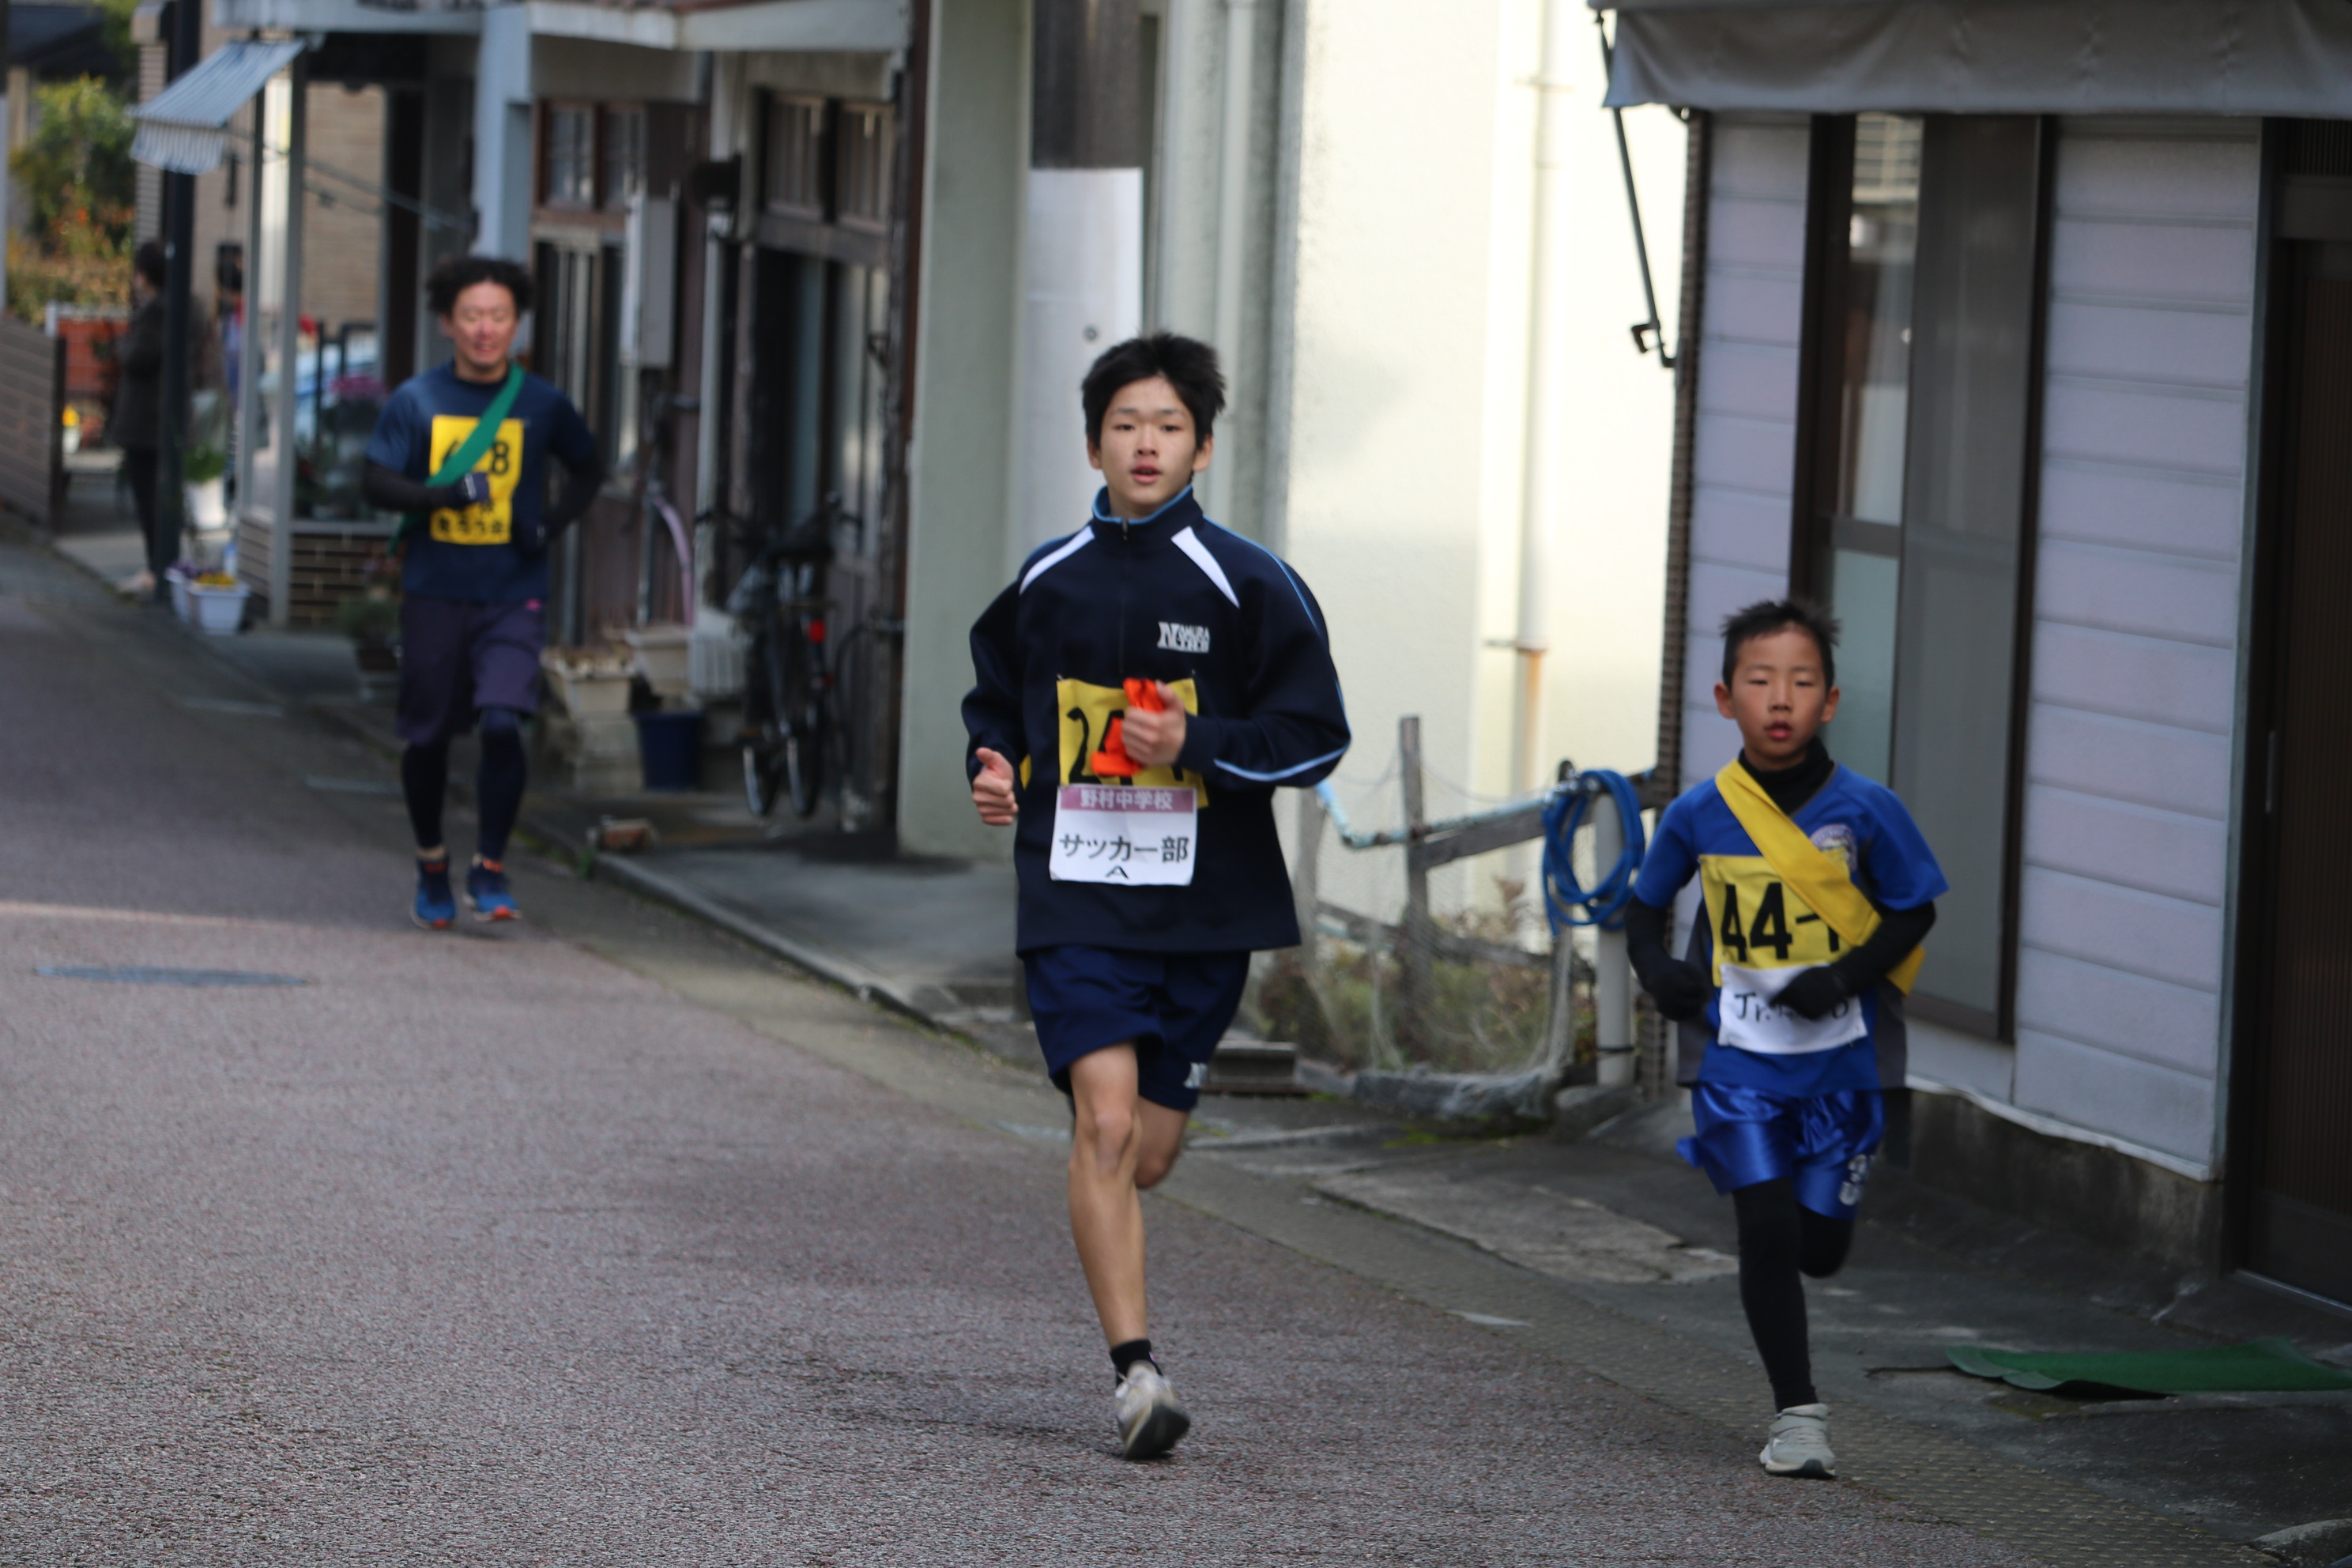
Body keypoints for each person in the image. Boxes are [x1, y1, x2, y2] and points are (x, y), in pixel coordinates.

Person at [963, 333, 1350, 1461]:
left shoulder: (1251, 582)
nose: (1146, 444)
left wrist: (1196, 742)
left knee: (1150, 1152)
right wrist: (993, 767)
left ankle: (1111, 1240)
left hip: (1204, 906)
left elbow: (1315, 735)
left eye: (1168, 426)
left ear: (1202, 448)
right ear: (1093, 444)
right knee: (1107, 1122)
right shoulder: (1046, 578)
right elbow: (995, 703)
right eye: (1126, 424)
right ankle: (1138, 1377)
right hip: (1075, 891)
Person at [1623, 599, 1943, 1480]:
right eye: (1760, 681)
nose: (1780, 699)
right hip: (1737, 1057)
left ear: (1829, 701)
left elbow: (1914, 910)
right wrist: (1659, 971)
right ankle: (1798, 1417)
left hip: (1845, 1057)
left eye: (1801, 683)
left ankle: (1824, 1214)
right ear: (1725, 698)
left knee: (1820, 1249)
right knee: (1763, 1225)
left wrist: (1841, 977)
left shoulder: (1868, 809)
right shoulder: (1698, 812)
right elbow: (1642, 910)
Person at [361, 255, 603, 929]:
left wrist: (547, 525)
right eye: (472, 316)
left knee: (502, 724)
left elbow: (589, 469)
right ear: (447, 322)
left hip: (513, 593)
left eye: (499, 316)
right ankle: (432, 863)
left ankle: (490, 867)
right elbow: (376, 482)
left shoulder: (543, 404)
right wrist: (442, 496)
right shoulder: (418, 401)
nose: (486, 329)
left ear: (517, 324)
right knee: (429, 740)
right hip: (435, 591)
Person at [111, 241, 168, 600]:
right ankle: (156, 566)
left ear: (144, 275)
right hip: (155, 421)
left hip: (147, 422)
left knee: (148, 498)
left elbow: (139, 357)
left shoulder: (157, 311)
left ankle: (156, 568)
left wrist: (122, 346)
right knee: (151, 498)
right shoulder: (169, 308)